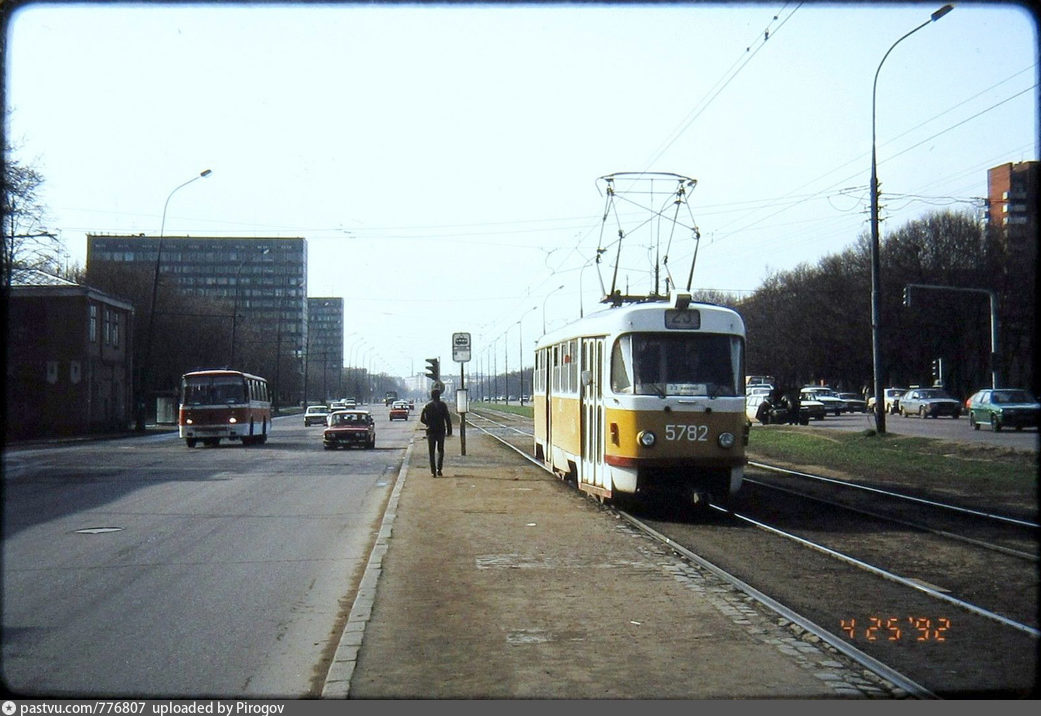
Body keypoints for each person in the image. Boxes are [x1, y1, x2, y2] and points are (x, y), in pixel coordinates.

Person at [420, 388, 453, 476]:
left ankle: (433, 471)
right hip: (441, 430)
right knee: (441, 450)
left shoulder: (428, 406)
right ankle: (439, 469)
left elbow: (422, 419)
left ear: (431, 396)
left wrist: (428, 423)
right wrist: (449, 430)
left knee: (431, 452)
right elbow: (447, 418)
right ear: (439, 395)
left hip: (431, 431)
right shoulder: (443, 405)